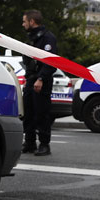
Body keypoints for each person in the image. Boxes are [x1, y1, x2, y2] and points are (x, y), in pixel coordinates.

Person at [20, 10, 57, 156]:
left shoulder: (48, 38)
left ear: (32, 22)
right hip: (31, 79)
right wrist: (28, 79)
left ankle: (44, 144)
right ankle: (29, 143)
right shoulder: (31, 39)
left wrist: (41, 78)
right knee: (28, 112)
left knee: (41, 113)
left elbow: (50, 62)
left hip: (42, 80)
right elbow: (28, 61)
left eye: (24, 21)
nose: (23, 24)